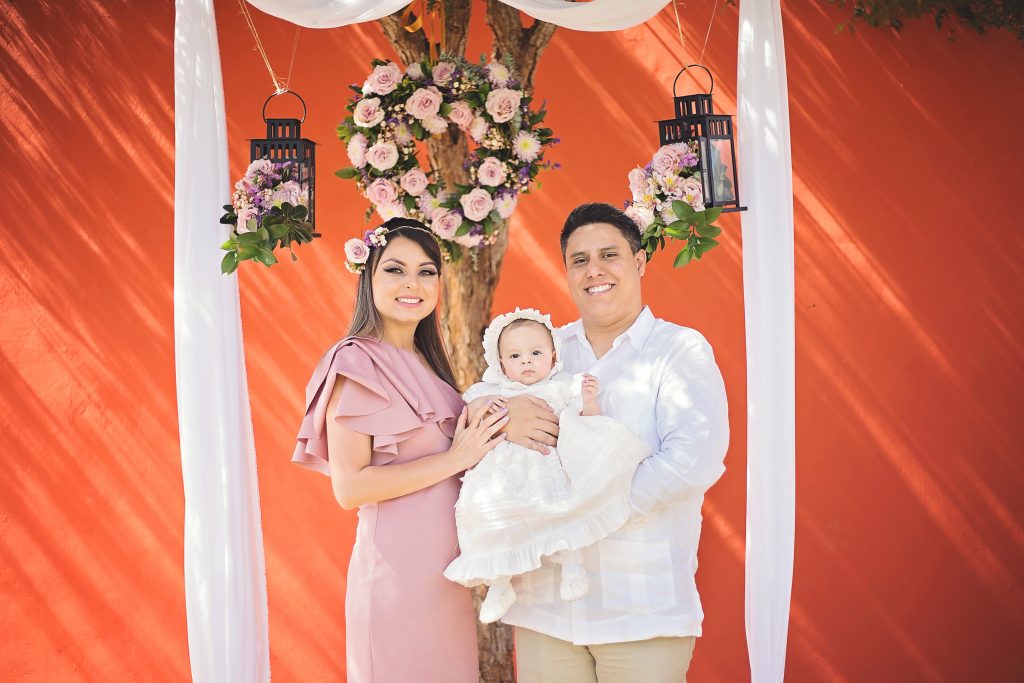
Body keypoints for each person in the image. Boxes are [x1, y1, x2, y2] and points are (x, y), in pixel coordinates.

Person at [501, 203, 730, 682]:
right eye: (579, 260)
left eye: (610, 255)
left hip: (640, 606)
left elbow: (692, 461)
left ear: (639, 261)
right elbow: (486, 424)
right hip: (545, 606)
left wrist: (593, 506)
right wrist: (504, 420)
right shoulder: (542, 352)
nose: (595, 270)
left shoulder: (679, 349)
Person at [292, 217, 507, 683]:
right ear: (367, 278)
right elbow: (350, 488)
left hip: (445, 581)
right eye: (395, 270)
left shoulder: (429, 364)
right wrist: (455, 458)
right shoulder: (355, 361)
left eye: (426, 272)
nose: (413, 284)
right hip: (396, 579)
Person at [443, 308, 649, 624]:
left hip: (544, 464)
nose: (526, 361)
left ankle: (572, 565)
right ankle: (498, 585)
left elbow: (587, 421)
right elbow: (468, 416)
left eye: (536, 353)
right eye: (515, 356)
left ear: (553, 357)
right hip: (501, 475)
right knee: (486, 516)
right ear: (500, 364)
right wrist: (485, 409)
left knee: (562, 508)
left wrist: (589, 400)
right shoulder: (491, 392)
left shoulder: (561, 386)